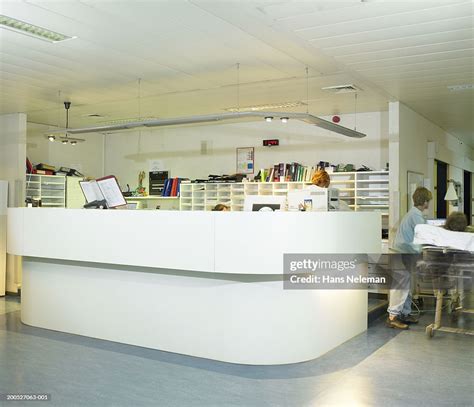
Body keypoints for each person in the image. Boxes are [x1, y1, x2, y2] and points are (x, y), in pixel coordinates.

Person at [387, 187, 432, 329]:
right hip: (401, 254)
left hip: (404, 253)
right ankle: (393, 317)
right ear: (425, 201)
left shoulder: (414, 214)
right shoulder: (416, 216)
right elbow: (424, 235)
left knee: (406, 285)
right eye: (428, 201)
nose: (428, 204)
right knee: (400, 286)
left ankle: (404, 313)